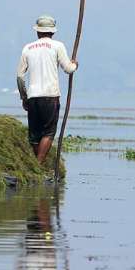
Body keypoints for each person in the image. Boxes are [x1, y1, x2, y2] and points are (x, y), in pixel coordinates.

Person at [16, 15, 78, 163]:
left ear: (37, 31)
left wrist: (24, 97)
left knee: (35, 135)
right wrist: (75, 64)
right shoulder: (57, 46)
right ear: (53, 32)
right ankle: (39, 165)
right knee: (49, 133)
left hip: (33, 96)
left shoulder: (27, 48)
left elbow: (19, 76)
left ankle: (37, 164)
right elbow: (68, 69)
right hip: (50, 96)